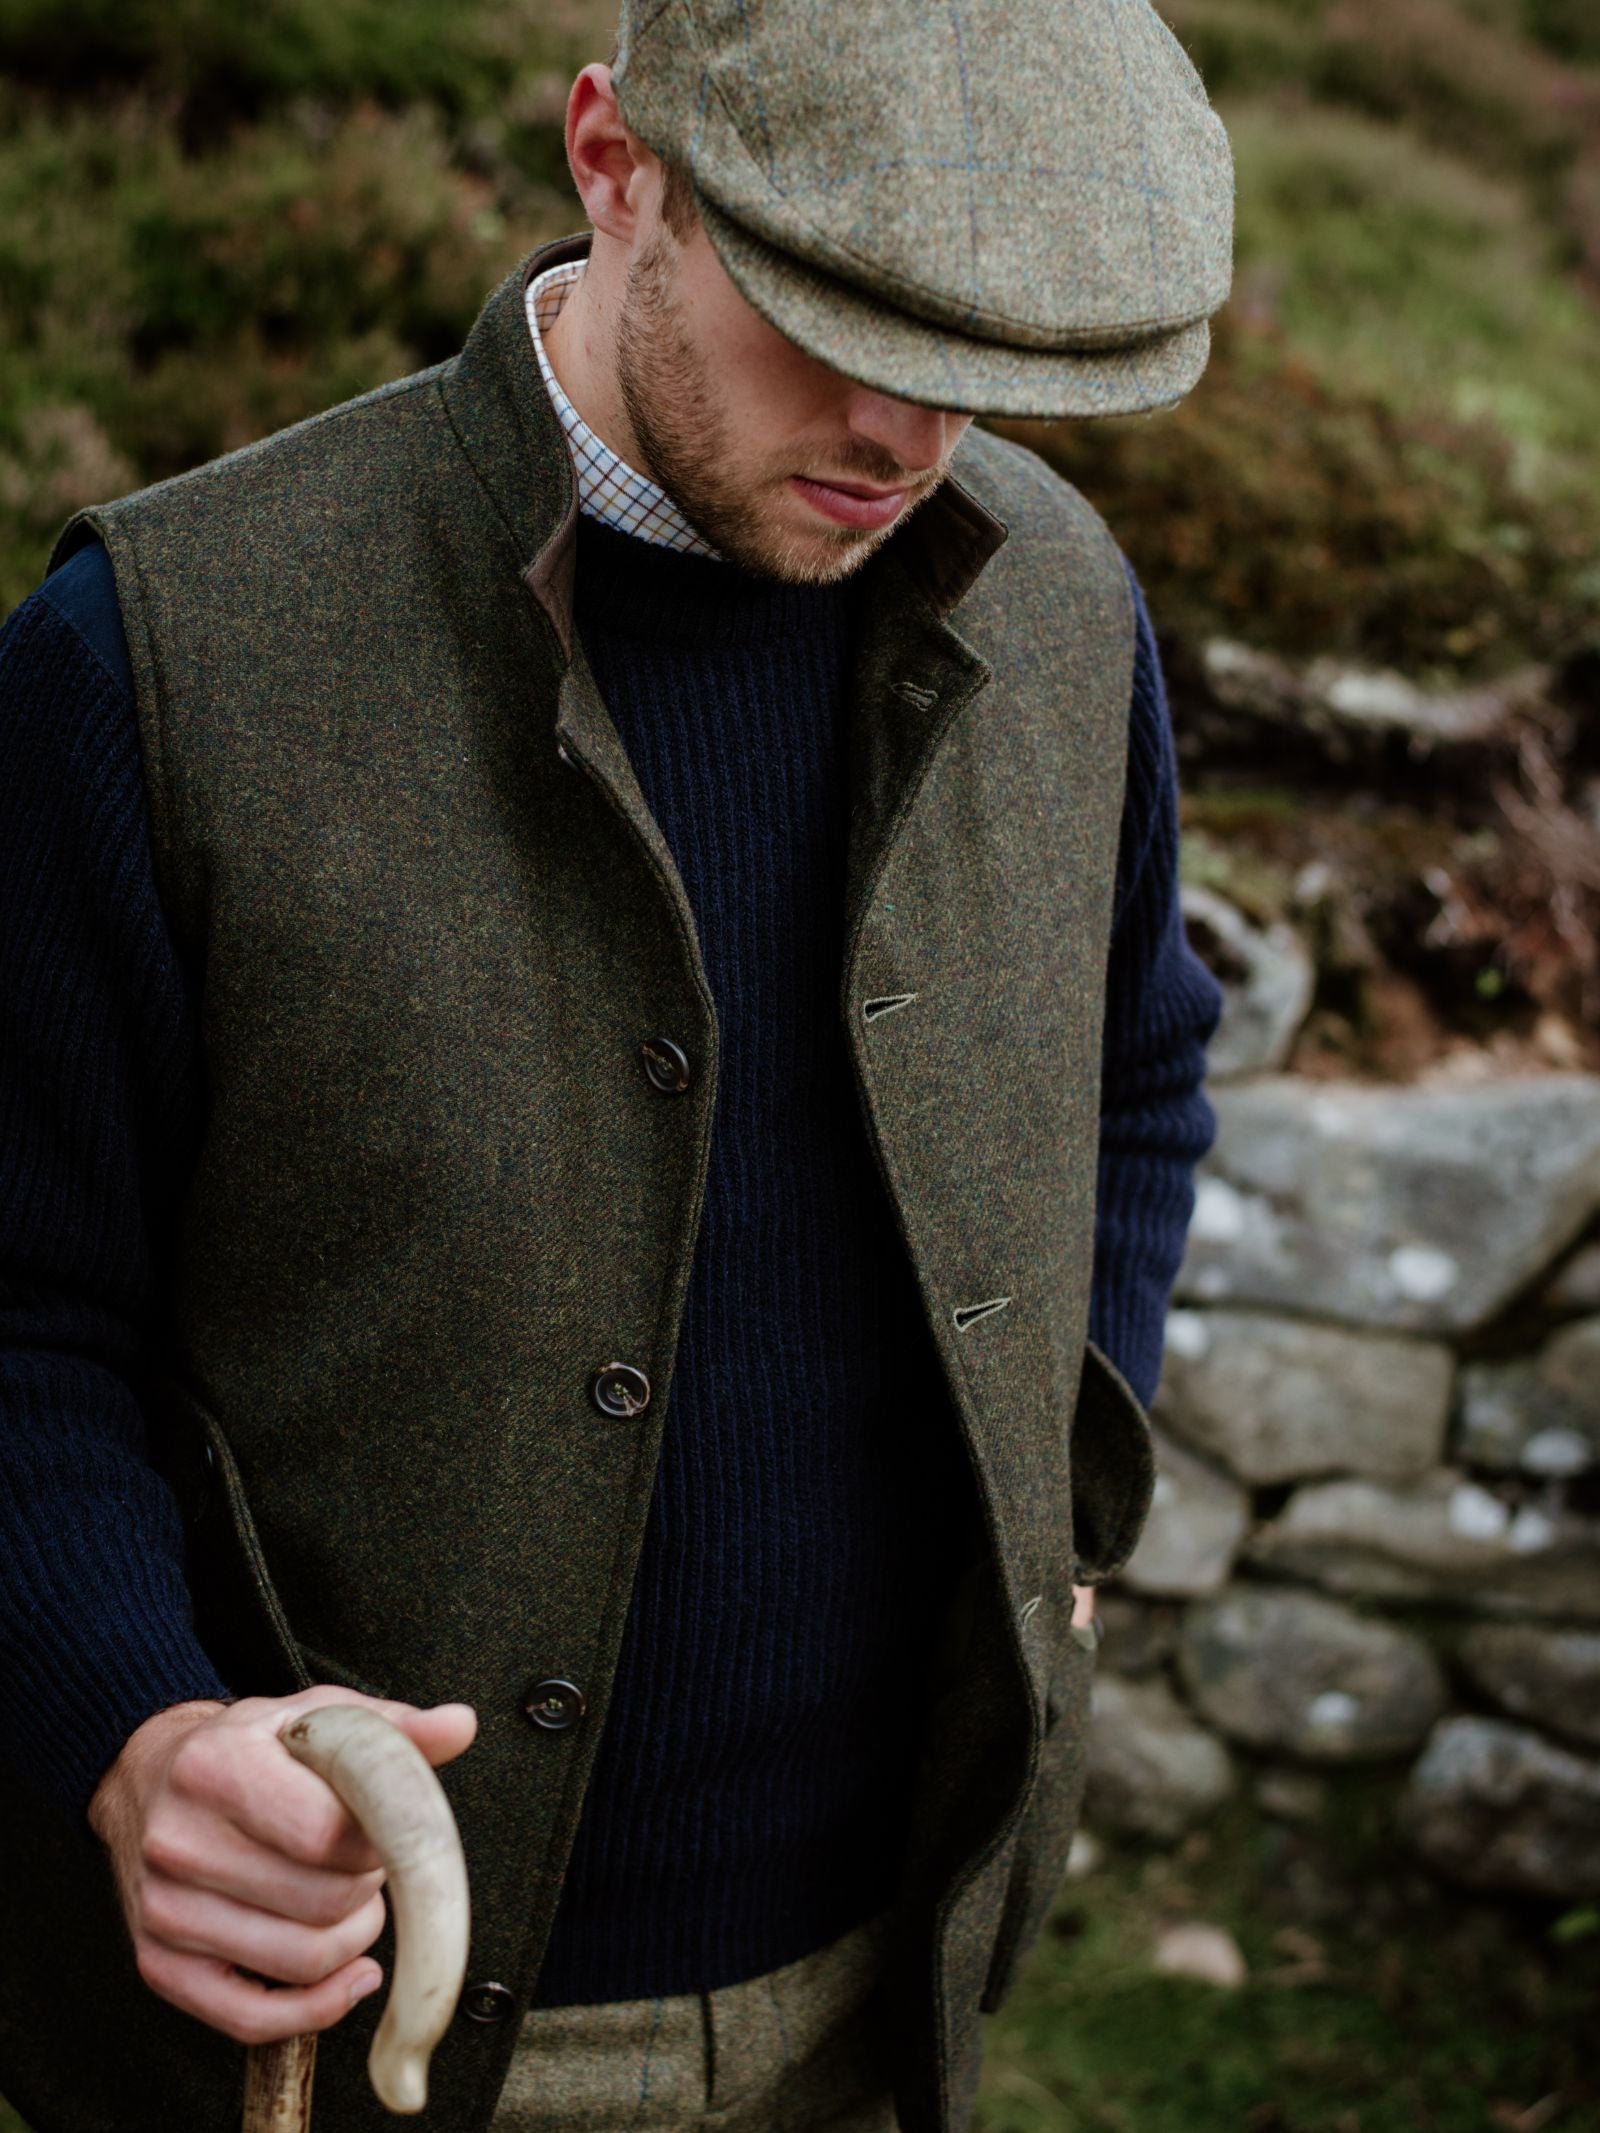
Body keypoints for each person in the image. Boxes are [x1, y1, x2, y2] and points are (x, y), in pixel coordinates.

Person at [0, 3, 1233, 2128]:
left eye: (978, 356)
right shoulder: (150, 657)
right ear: (610, 159)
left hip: (890, 1989)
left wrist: (1067, 1490)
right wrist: (131, 1721)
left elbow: (1138, 1072)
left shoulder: (1062, 607)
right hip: (327, 2042)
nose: (894, 422)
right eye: (819, 308)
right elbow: (16, 1316)